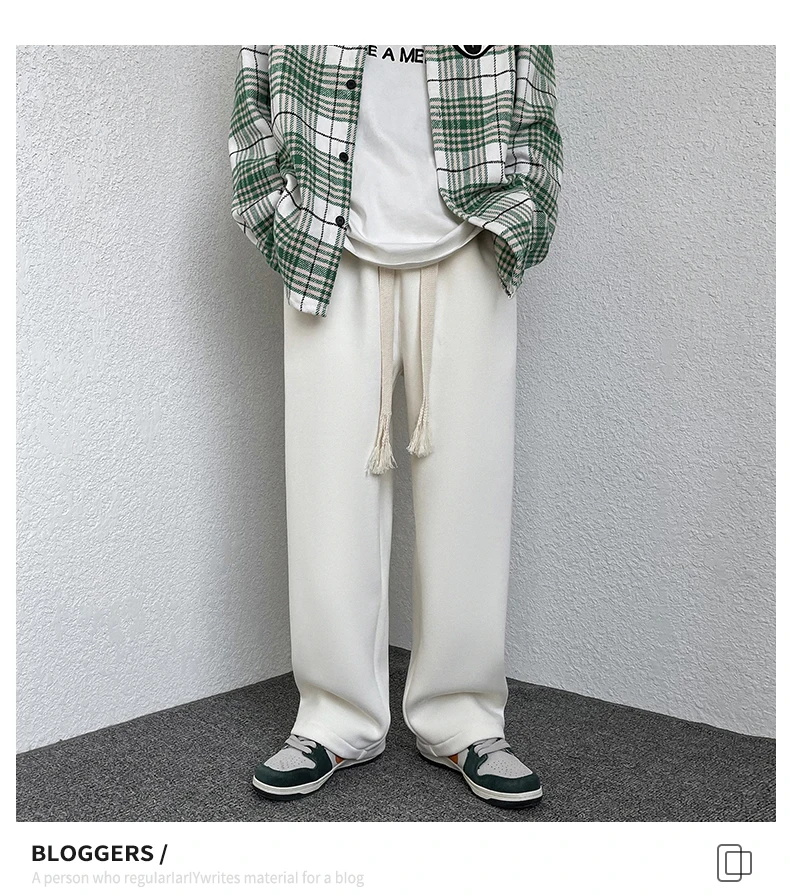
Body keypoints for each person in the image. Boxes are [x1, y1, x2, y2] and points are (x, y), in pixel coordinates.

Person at [228, 44, 563, 808]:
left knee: (470, 490)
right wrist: (278, 219)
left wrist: (524, 216)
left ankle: (464, 717)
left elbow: (536, 96)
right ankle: (334, 716)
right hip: (329, 239)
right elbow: (253, 94)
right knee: (327, 494)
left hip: (471, 234)